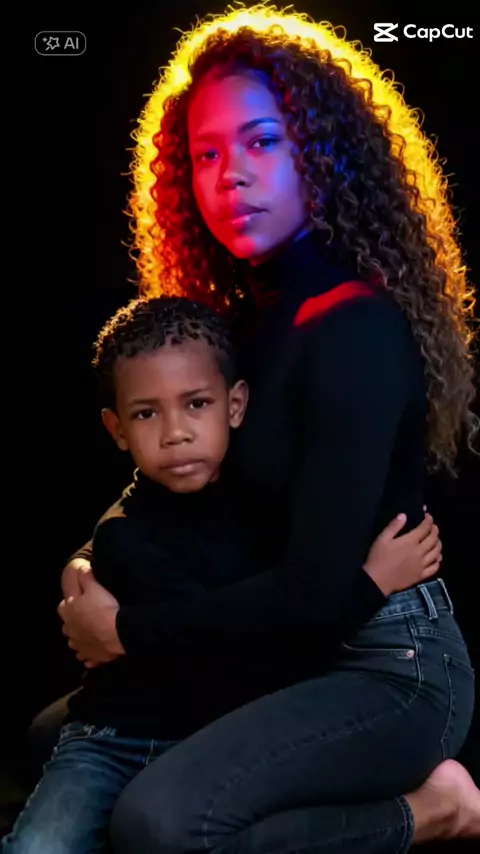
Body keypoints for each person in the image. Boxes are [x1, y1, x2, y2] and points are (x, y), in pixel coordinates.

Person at [39, 3, 480, 851]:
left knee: (157, 821)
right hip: (281, 645)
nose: (230, 175)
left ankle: (431, 809)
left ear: (324, 150)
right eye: (206, 154)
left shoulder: (352, 324)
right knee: (55, 740)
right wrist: (92, 559)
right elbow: (172, 494)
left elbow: (314, 594)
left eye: (262, 141)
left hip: (386, 659)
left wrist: (126, 635)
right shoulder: (242, 318)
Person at [4, 296, 437, 854]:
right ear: (116, 428)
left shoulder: (259, 501)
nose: (175, 433)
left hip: (207, 736)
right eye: (146, 414)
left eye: (196, 404)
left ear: (235, 405)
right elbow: (253, 666)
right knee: (40, 847)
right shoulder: (128, 538)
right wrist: (372, 584)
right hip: (115, 741)